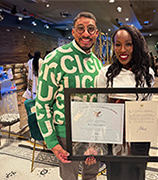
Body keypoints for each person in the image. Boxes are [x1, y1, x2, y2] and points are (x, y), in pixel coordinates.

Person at [96, 25, 158, 180]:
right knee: (115, 174)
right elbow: (100, 109)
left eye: (128, 44)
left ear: (136, 45)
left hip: (139, 138)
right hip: (114, 138)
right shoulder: (105, 74)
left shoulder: (147, 73)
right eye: (118, 44)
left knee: (137, 174)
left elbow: (146, 106)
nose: (122, 50)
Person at [35, 12, 103, 180]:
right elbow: (42, 104)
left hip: (91, 133)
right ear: (73, 32)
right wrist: (52, 143)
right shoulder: (54, 59)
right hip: (66, 134)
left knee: (91, 174)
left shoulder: (97, 63)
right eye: (81, 29)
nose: (86, 33)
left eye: (90, 29)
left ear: (96, 33)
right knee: (69, 177)